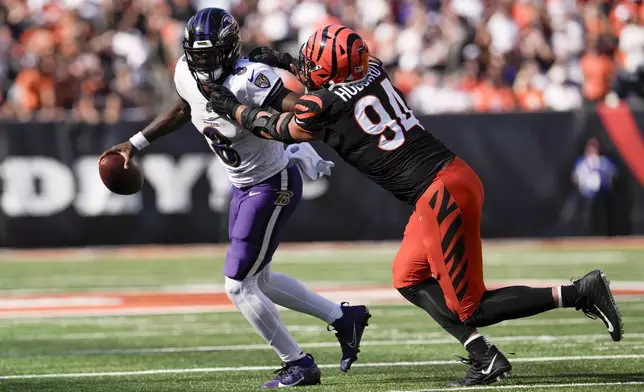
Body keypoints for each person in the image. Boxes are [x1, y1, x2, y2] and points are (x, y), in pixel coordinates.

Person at [206, 24, 625, 387]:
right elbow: (332, 75)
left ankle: (578, 292)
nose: (305, 68)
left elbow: (279, 128)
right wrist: (283, 60)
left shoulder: (324, 105)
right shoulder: (371, 68)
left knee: (471, 303)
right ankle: (484, 357)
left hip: (440, 191)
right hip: (445, 180)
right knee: (408, 276)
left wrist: (230, 106)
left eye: (309, 63)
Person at [99, 10, 371, 388]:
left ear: (230, 50)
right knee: (263, 280)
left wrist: (300, 137)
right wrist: (136, 142)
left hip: (272, 184)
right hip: (243, 183)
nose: (204, 63)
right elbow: (183, 108)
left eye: (212, 56)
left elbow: (302, 108)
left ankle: (299, 363)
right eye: (198, 55)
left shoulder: (251, 78)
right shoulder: (185, 71)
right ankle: (344, 318)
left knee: (239, 285)